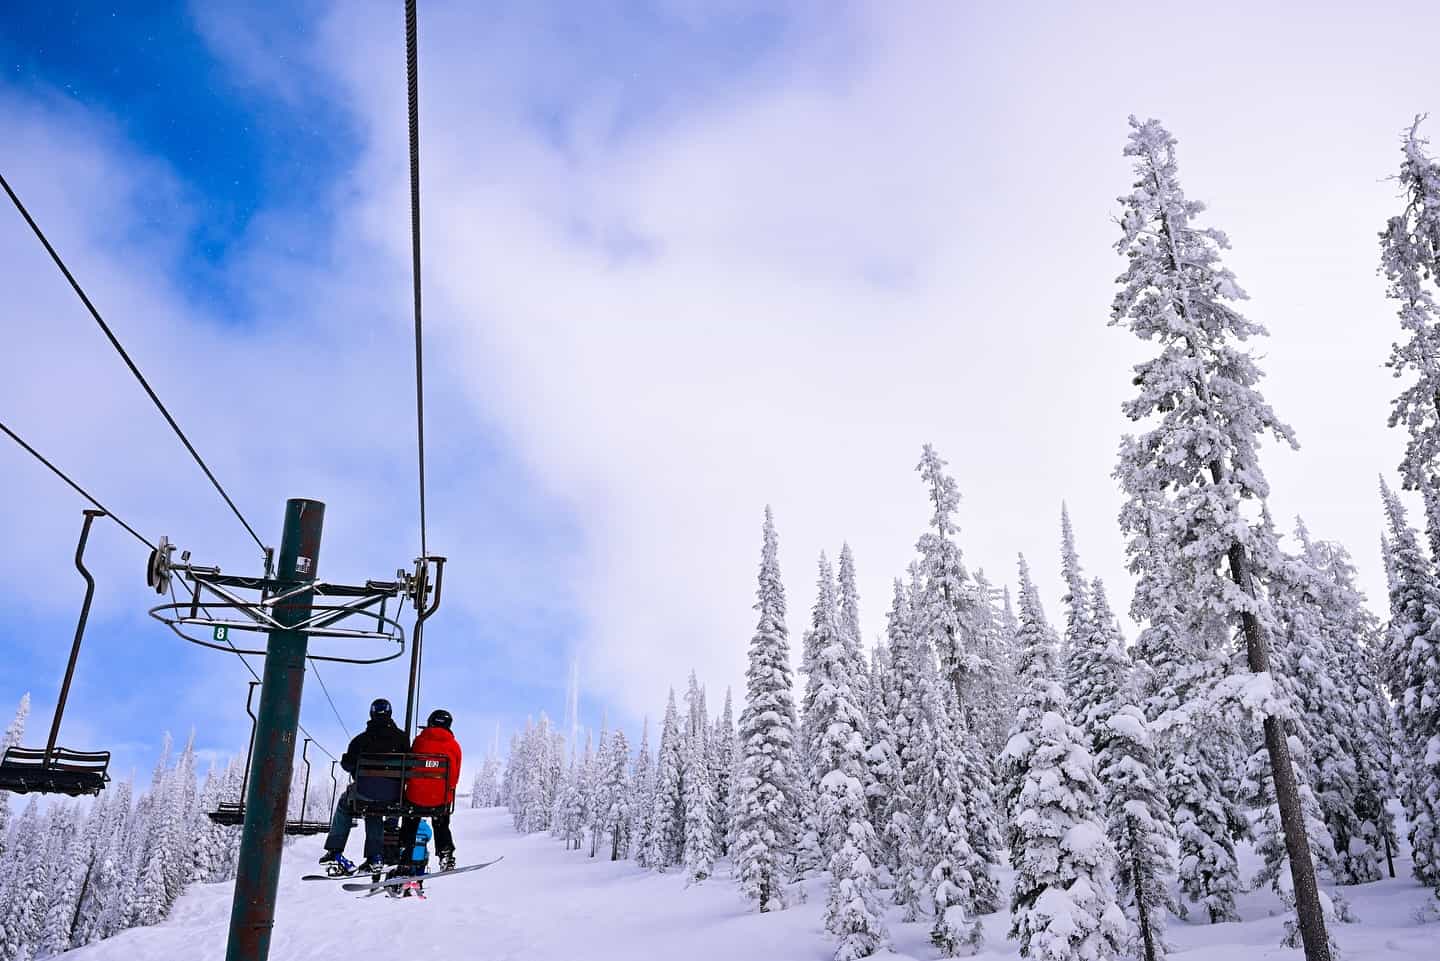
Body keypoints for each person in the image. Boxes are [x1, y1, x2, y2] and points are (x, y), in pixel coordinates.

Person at [320, 697, 409, 873]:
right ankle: (375, 857)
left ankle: (335, 850)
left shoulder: (361, 740)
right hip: (393, 795)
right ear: (390, 714)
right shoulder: (401, 739)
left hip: (365, 794)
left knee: (347, 804)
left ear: (371, 714)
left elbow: (347, 765)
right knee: (375, 808)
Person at [396, 708, 462, 871]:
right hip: (439, 801)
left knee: (410, 821)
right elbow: (453, 779)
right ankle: (445, 854)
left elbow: (410, 767)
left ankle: (405, 855)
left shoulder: (420, 741)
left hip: (415, 797)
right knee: (441, 823)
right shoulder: (454, 746)